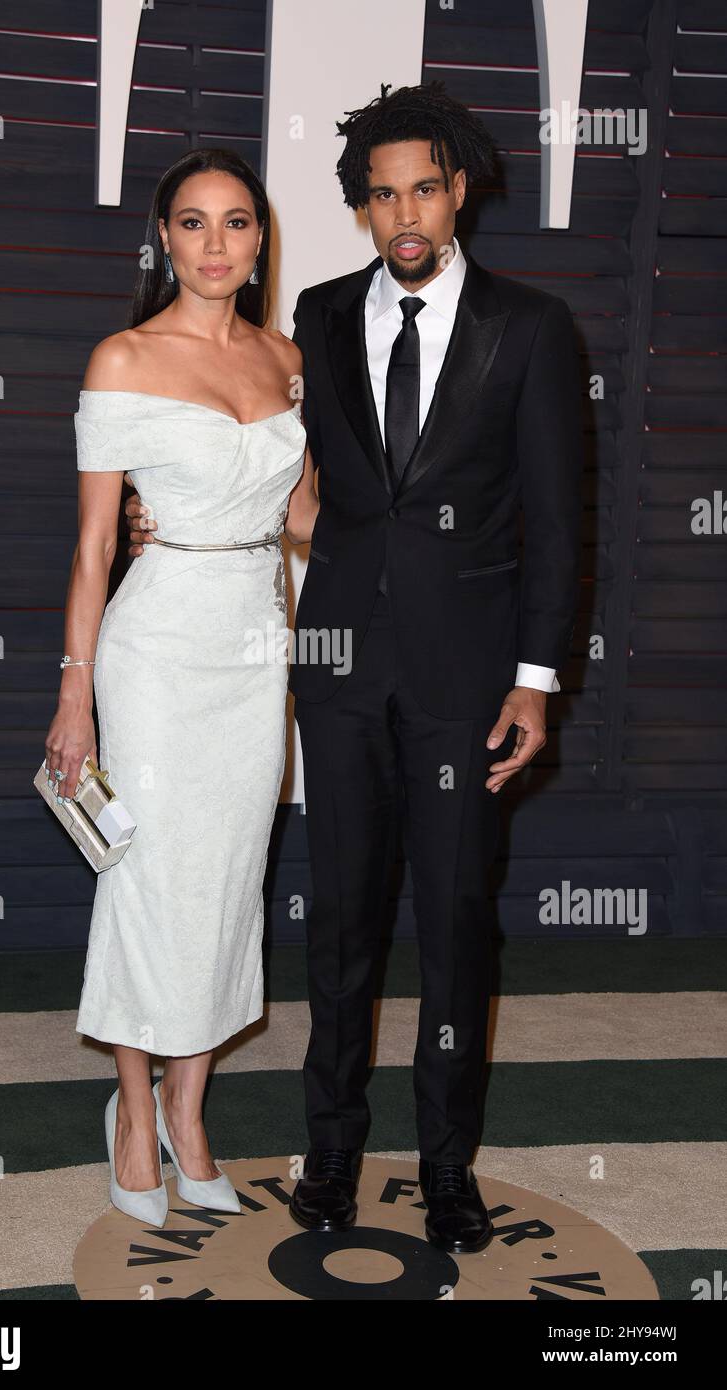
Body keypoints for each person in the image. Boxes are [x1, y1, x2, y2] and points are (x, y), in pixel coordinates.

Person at [124, 81, 583, 1253]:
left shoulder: (530, 329)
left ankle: (446, 1165)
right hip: (334, 666)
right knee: (339, 923)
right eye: (380, 196)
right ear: (360, 210)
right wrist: (162, 520)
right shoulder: (316, 324)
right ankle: (328, 1152)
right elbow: (267, 470)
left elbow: (558, 521)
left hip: (471, 682)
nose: (404, 214)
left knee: (456, 920)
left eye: (423, 187)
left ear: (459, 188)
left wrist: (535, 680)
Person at [43, 148, 316, 1226]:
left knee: (229, 873)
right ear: (165, 238)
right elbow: (94, 544)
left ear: (259, 240)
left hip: (256, 643)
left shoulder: (285, 358)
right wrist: (75, 694)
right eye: (192, 222)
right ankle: (128, 1104)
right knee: (150, 874)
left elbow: (303, 515)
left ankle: (190, 1113)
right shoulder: (122, 359)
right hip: (154, 644)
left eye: (236, 222)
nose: (215, 243)